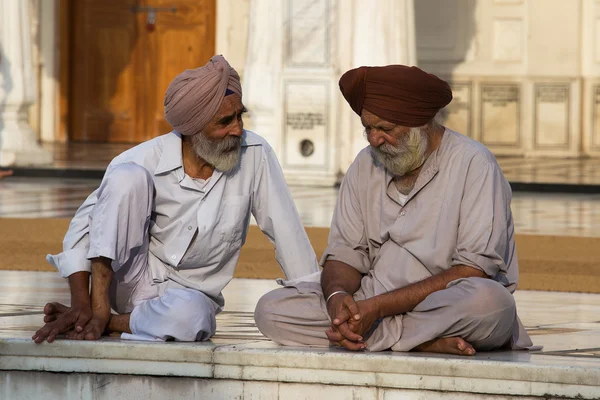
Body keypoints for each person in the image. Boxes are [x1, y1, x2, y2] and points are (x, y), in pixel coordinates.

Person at [33, 55, 319, 344]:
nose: (238, 129)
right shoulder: (140, 159)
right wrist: (83, 304)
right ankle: (98, 310)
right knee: (127, 178)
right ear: (192, 129)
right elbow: (84, 230)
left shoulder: (255, 154)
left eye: (239, 116)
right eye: (225, 121)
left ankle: (109, 322)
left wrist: (314, 303)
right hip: (130, 278)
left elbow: (287, 231)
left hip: (190, 298)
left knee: (192, 319)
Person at [254, 64, 534, 356]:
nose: (374, 139)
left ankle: (379, 336)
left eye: (385, 129)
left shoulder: (475, 164)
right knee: (271, 311)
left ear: (420, 123)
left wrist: (376, 310)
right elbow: (345, 254)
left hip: (443, 303)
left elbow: (473, 270)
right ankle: (422, 341)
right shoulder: (365, 165)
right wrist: (338, 297)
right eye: (368, 128)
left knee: (491, 304)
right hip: (371, 299)